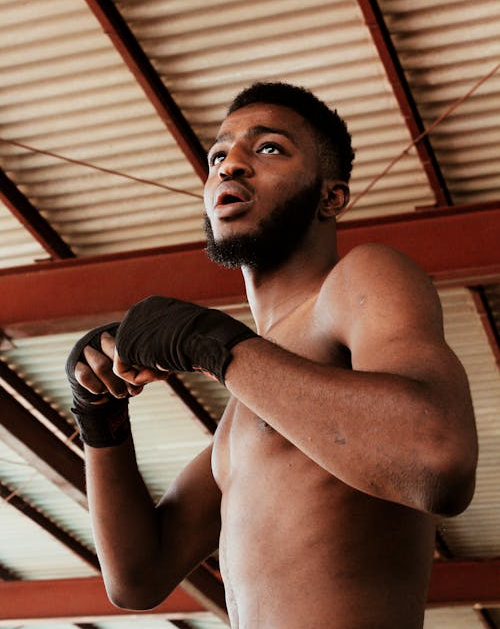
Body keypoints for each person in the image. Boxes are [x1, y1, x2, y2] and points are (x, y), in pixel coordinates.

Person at [66, 82, 478, 629]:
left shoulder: (359, 279)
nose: (230, 164)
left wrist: (212, 343)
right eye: (218, 154)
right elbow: (137, 578)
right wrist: (101, 418)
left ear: (330, 196)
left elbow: (438, 459)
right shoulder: (249, 402)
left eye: (268, 149)